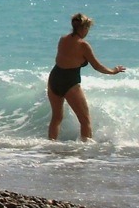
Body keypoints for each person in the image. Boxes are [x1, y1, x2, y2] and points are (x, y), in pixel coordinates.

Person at [47, 13, 126, 141]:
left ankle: (50, 145)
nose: (88, 31)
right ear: (84, 28)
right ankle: (85, 150)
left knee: (56, 117)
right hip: (69, 81)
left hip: (54, 78)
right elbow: (97, 66)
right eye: (88, 28)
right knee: (85, 120)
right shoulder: (83, 45)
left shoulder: (63, 39)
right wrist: (113, 71)